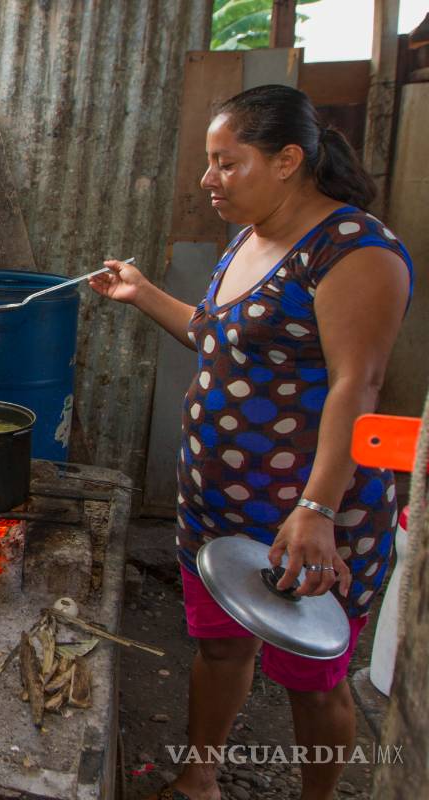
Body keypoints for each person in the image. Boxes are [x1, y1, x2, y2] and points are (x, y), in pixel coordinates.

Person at [89, 84, 414, 800]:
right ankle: (199, 775)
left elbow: (357, 386)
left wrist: (318, 510)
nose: (208, 181)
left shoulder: (354, 250)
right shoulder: (250, 237)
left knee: (311, 680)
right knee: (218, 645)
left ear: (288, 159)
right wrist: (142, 293)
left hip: (306, 515)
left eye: (225, 163)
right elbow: (217, 339)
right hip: (218, 504)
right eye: (209, 164)